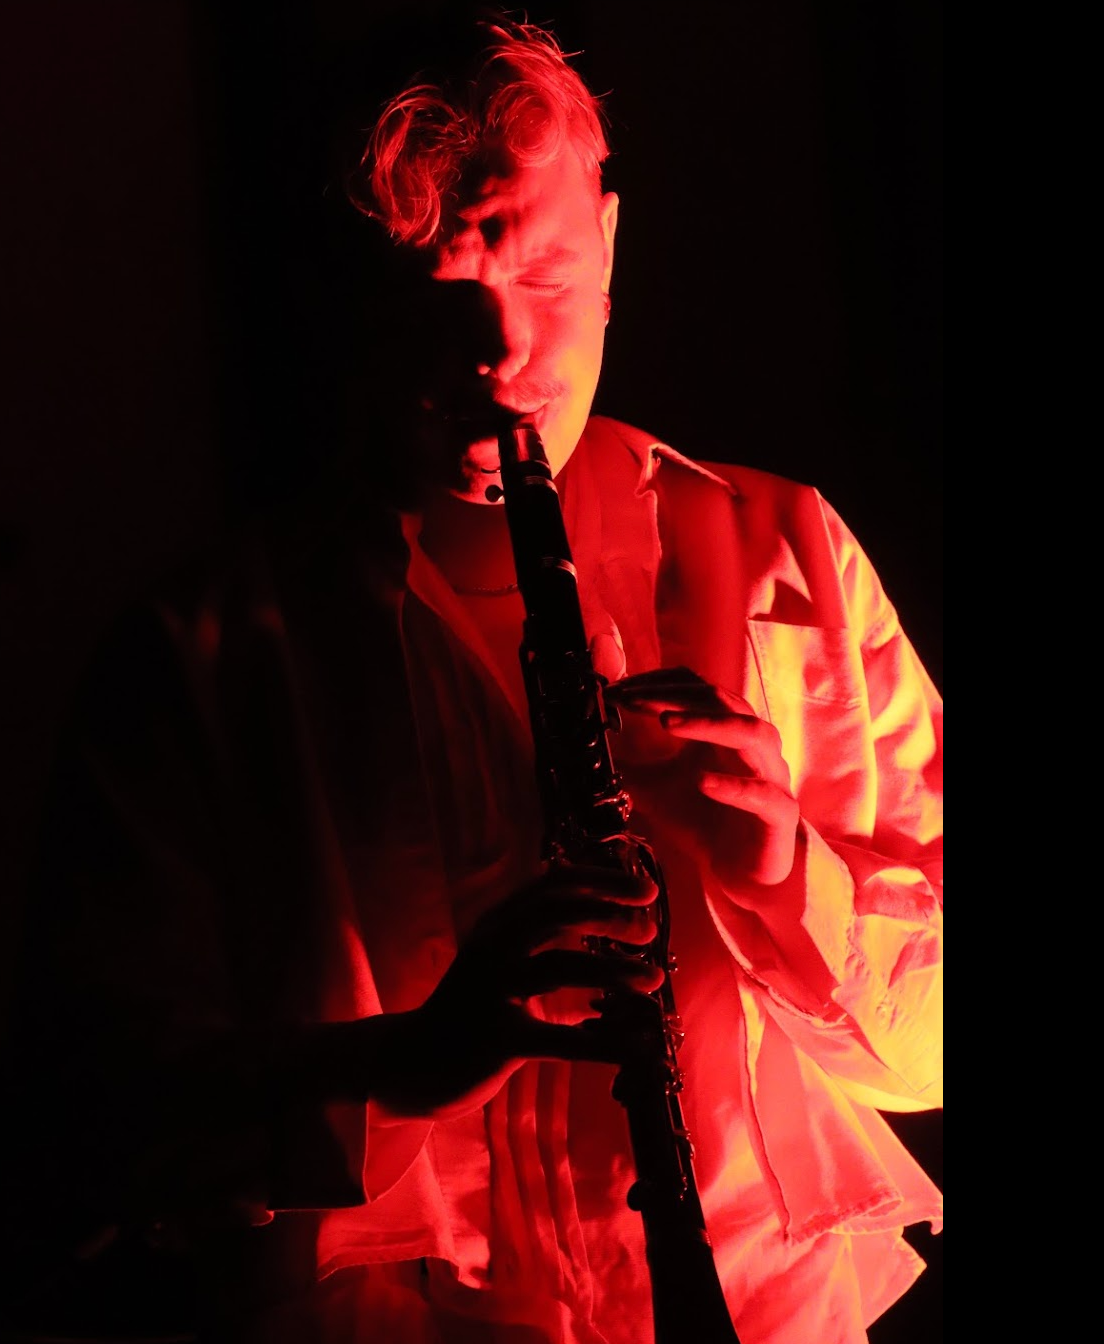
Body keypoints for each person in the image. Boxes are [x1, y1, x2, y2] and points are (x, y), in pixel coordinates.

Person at [0, 12, 942, 1344]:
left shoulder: (790, 555)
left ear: (612, 243)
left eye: (547, 273)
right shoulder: (201, 657)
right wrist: (406, 1067)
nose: (498, 353)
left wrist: (797, 877)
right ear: (344, 305)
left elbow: (934, 1047)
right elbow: (90, 1123)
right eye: (431, 298)